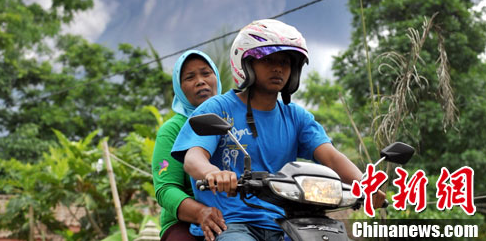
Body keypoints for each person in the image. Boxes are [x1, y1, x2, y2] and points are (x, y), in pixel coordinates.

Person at [172, 19, 386, 241]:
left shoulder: (297, 117)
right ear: (246, 64)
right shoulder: (218, 109)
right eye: (268, 59)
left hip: (287, 224)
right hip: (232, 223)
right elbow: (193, 158)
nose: (278, 68)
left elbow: (331, 157)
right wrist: (212, 173)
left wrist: (366, 184)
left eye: (285, 62)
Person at [152, 49, 227, 241]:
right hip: (186, 222)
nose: (200, 81)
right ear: (179, 88)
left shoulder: (235, 120)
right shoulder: (172, 130)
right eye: (190, 77)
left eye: (206, 73)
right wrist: (200, 213)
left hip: (239, 216)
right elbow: (166, 188)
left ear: (216, 78)